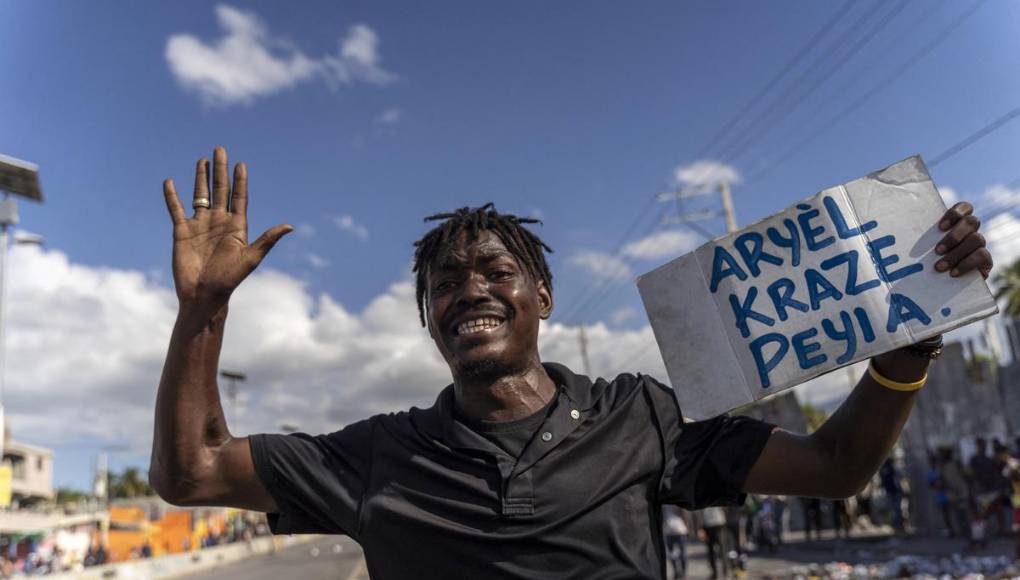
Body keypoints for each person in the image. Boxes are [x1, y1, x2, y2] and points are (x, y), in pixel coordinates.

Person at [149, 147, 994, 579]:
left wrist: (909, 341)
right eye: (445, 284)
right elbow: (192, 473)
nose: (470, 291)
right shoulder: (378, 455)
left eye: (495, 272)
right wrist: (203, 310)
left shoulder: (643, 417)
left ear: (542, 296)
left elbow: (836, 467)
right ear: (429, 320)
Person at [662, 506, 688, 580]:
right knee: (672, 554)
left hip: (680, 531)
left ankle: (683, 572)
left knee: (682, 553)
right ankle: (675, 571)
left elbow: (684, 514)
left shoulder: (678, 504)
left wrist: (687, 527)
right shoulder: (663, 506)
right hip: (668, 532)